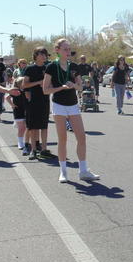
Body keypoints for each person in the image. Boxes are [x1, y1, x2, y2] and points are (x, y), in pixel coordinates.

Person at [43, 39, 100, 183]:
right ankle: (63, 172)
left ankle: (83, 171)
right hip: (59, 105)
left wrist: (74, 85)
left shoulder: (74, 66)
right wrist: (60, 88)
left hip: (73, 104)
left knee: (81, 137)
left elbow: (81, 87)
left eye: (69, 49)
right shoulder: (51, 67)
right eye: (65, 49)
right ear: (57, 50)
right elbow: (45, 90)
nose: (68, 52)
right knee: (62, 139)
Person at [23, 47, 53, 159]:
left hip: (45, 100)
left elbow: (53, 84)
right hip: (33, 99)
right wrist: (39, 82)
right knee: (33, 126)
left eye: (46, 54)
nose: (44, 56)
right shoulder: (29, 69)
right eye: (42, 54)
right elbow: (24, 85)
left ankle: (44, 149)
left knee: (44, 126)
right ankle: (34, 150)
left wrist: (48, 85)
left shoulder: (48, 68)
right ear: (36, 55)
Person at [5, 77, 28, 149]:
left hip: (26, 110)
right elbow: (7, 97)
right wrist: (12, 105)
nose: (25, 83)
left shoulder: (26, 90)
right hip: (18, 111)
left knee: (26, 127)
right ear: (19, 84)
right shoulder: (15, 91)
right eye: (23, 82)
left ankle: (26, 141)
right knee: (21, 128)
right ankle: (20, 142)